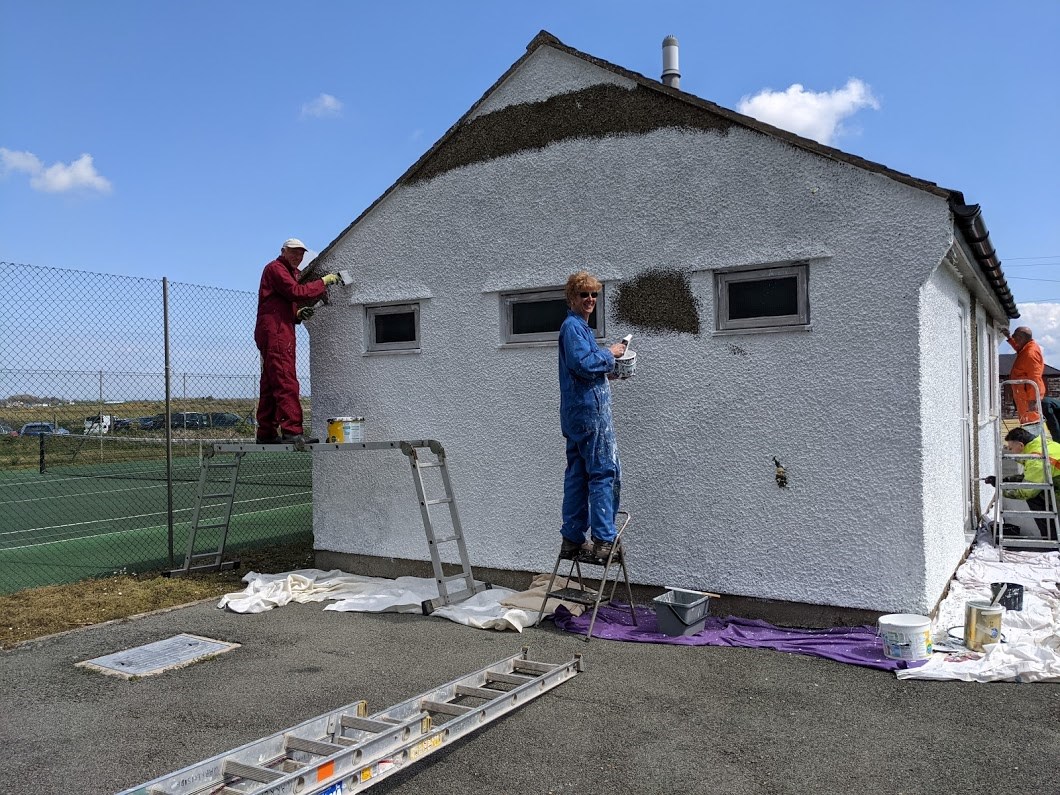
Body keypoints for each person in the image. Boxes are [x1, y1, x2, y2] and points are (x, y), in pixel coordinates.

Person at [557, 271, 629, 560]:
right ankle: (603, 540)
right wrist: (610, 354)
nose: (589, 300)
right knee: (603, 472)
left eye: (593, 295)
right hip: (589, 415)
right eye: (583, 294)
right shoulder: (573, 327)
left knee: (577, 475)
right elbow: (583, 363)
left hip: (577, 413)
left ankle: (572, 539)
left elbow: (582, 371)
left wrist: (607, 374)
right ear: (572, 298)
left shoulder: (577, 328)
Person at [254, 238, 341, 446]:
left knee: (271, 383)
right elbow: (295, 292)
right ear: (283, 251)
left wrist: (297, 314)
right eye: (293, 252)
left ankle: (266, 432)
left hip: (275, 330)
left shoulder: (286, 272)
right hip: (276, 333)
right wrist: (323, 282)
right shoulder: (276, 269)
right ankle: (292, 431)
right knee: (286, 381)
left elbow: (281, 302)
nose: (297, 256)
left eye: (301, 253)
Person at [985, 426, 1060, 541]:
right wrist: (1004, 481)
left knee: (1035, 497)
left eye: (1010, 449)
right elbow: (1029, 477)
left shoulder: (1036, 460)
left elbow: (1025, 492)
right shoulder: (1041, 444)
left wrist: (1001, 489)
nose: (1009, 452)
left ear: (1021, 445)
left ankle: (1053, 539)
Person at [1006, 326, 1046, 430]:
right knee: (1026, 421)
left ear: (1021, 337)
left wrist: (1033, 400)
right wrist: (1009, 338)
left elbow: (1035, 378)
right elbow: (1019, 348)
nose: (1014, 339)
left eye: (1015, 337)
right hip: (1023, 394)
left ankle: (1034, 445)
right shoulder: (1026, 347)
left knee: (1031, 423)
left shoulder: (1030, 353)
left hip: (1028, 397)